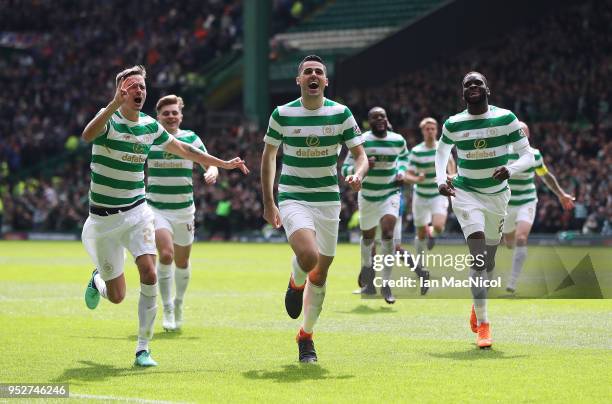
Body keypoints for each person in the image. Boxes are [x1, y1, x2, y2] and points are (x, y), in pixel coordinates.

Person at [81, 65, 248, 367]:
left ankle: (143, 349)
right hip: (103, 220)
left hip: (137, 213)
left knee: (149, 271)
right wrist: (112, 105)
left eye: (143, 87)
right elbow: (87, 134)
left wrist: (222, 164)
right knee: (117, 295)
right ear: (120, 90)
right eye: (133, 86)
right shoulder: (108, 121)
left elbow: (186, 149)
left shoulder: (149, 126)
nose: (139, 91)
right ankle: (98, 280)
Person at [261, 55, 368, 363]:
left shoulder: (340, 113)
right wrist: (269, 201)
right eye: (307, 71)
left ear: (325, 81)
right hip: (293, 195)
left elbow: (360, 156)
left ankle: (305, 336)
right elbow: (269, 157)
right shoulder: (282, 114)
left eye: (318, 72)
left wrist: (357, 174)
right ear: (299, 80)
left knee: (320, 275)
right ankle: (295, 282)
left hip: (328, 199)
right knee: (309, 257)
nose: (313, 75)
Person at [435, 71, 534, 349]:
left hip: (497, 197)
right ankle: (485, 325)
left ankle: (476, 306)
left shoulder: (506, 119)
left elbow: (528, 155)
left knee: (488, 260)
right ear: (462, 92)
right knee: (478, 254)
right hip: (466, 193)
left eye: (478, 82)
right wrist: (441, 180)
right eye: (468, 84)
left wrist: (510, 169)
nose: (473, 86)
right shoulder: (453, 123)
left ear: (487, 89)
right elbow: (442, 153)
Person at [146, 94, 219, 331]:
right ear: (158, 117)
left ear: (180, 115)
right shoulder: (150, 138)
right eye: (165, 113)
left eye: (174, 112)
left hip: (184, 210)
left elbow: (209, 162)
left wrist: (212, 172)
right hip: (156, 208)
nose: (170, 116)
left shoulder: (191, 138)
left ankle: (178, 303)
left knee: (182, 260)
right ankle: (166, 307)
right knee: (165, 254)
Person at [342, 107, 423, 303]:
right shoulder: (361, 141)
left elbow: (404, 158)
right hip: (368, 195)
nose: (380, 119)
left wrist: (402, 171)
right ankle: (367, 268)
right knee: (368, 238)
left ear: (387, 119)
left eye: (383, 116)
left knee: (388, 234)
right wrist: (362, 165)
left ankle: (386, 284)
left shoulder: (397, 140)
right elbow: (345, 167)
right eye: (374, 117)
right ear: (368, 122)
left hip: (390, 193)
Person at [503, 121, 574, 293]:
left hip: (527, 201)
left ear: (528, 136)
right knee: (509, 243)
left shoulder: (534, 155)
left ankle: (512, 282)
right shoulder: (502, 154)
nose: (521, 135)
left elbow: (545, 175)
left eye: (524, 132)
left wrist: (561, 194)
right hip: (506, 204)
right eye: (518, 132)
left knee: (521, 238)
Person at [407, 117, 456, 257]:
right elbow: (408, 175)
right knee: (420, 233)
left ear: (437, 131)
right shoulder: (416, 151)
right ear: (422, 131)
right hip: (421, 195)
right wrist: (417, 178)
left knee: (439, 227)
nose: (430, 131)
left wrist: (449, 177)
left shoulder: (443, 149)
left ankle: (432, 233)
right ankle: (420, 263)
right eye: (427, 129)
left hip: (438, 194)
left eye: (433, 129)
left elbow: (452, 169)